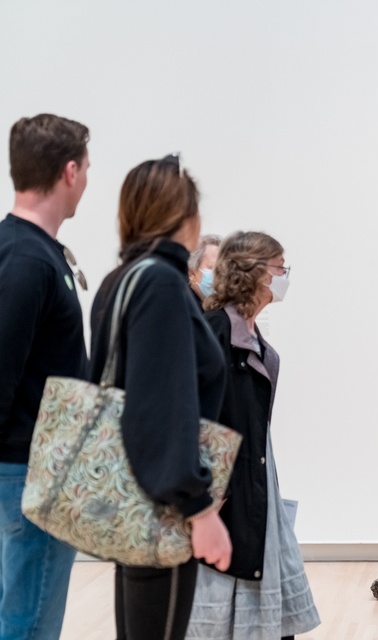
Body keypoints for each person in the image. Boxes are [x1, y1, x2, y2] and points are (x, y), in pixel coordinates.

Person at [88, 154, 232, 640]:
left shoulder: (120, 280)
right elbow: (161, 406)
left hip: (127, 493)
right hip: (161, 507)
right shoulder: (162, 284)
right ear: (183, 217)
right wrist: (200, 508)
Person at [187, 231, 319, 639]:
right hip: (221, 504)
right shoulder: (212, 335)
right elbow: (192, 423)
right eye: (281, 268)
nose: (285, 277)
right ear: (259, 275)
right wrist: (205, 499)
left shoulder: (253, 342)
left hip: (252, 496)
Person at [0, 113, 89, 640]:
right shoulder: (26, 259)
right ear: (71, 172)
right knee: (28, 626)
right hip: (32, 473)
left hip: (37, 471)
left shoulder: (32, 252)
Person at [188, 234, 221, 306]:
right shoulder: (182, 306)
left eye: (223, 268)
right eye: (213, 268)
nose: (220, 274)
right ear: (192, 274)